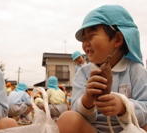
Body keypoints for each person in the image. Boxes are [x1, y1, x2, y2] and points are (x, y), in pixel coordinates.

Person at [56, 5, 147, 133]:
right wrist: (86, 101)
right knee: (67, 119)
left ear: (118, 39)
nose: (85, 44)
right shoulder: (83, 73)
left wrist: (123, 107)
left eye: (91, 36)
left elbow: (145, 105)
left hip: (130, 129)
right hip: (94, 130)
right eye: (84, 38)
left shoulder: (135, 69)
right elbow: (76, 109)